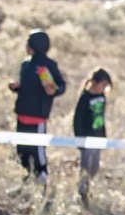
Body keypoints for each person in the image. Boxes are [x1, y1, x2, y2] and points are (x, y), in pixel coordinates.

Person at [8, 30, 66, 185]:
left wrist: (55, 90)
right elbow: (26, 85)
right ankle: (26, 174)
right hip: (23, 112)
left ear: (34, 46)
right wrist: (17, 87)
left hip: (38, 115)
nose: (25, 46)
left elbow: (61, 85)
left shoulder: (50, 65)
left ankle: (42, 174)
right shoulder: (26, 64)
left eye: (28, 43)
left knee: (38, 147)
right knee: (22, 147)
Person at [72, 68, 112, 203]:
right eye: (103, 85)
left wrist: (104, 134)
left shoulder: (102, 98)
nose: (104, 88)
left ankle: (87, 186)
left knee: (95, 166)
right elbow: (78, 120)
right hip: (86, 138)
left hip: (98, 137)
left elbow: (101, 117)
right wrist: (79, 139)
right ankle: (81, 191)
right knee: (85, 165)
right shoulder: (85, 98)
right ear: (95, 83)